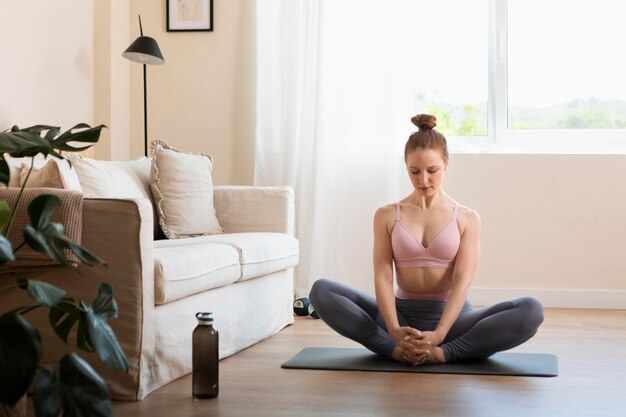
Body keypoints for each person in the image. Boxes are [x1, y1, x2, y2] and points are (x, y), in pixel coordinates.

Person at [309, 114, 544, 365]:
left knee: (531, 309)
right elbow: (383, 277)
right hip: (401, 317)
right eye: (414, 171)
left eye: (432, 171)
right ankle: (394, 349)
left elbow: (462, 281)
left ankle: (444, 353)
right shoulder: (387, 215)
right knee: (321, 291)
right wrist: (393, 329)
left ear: (446, 164)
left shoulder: (467, 218)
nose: (423, 180)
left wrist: (440, 334)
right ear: (406, 167)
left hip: (453, 322)